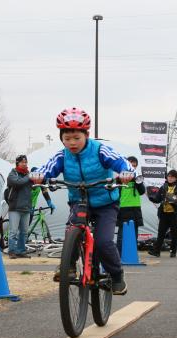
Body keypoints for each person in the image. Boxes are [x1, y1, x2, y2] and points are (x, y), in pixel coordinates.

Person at [30, 107, 134, 295]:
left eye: (76, 138)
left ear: (86, 134)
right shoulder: (62, 156)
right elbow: (47, 168)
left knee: (103, 242)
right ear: (61, 138)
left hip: (105, 203)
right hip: (79, 200)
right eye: (67, 138)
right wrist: (39, 175)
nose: (72, 143)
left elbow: (120, 161)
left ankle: (117, 275)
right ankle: (68, 267)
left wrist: (127, 172)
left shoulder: (100, 150)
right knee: (72, 228)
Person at [147, 169, 177, 258]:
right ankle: (157, 251)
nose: (170, 178)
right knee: (161, 233)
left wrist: (175, 202)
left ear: (176, 178)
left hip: (175, 214)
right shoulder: (163, 187)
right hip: (164, 213)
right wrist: (151, 197)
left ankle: (173, 251)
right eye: (169, 176)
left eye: (172, 177)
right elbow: (157, 199)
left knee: (174, 233)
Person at [116, 156, 146, 256]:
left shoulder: (137, 178)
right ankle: (119, 255)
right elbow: (115, 193)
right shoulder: (120, 178)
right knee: (121, 234)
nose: (131, 168)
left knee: (134, 233)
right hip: (123, 208)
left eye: (134, 166)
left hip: (135, 208)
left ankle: (131, 255)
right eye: (130, 165)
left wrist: (137, 180)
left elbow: (142, 192)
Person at [6, 155, 33, 259]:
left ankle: (21, 251)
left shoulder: (28, 175)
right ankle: (11, 251)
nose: (24, 164)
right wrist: (28, 176)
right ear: (17, 163)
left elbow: (33, 186)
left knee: (24, 232)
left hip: (26, 207)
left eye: (26, 162)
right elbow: (18, 182)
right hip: (15, 208)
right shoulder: (12, 174)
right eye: (22, 162)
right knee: (13, 231)